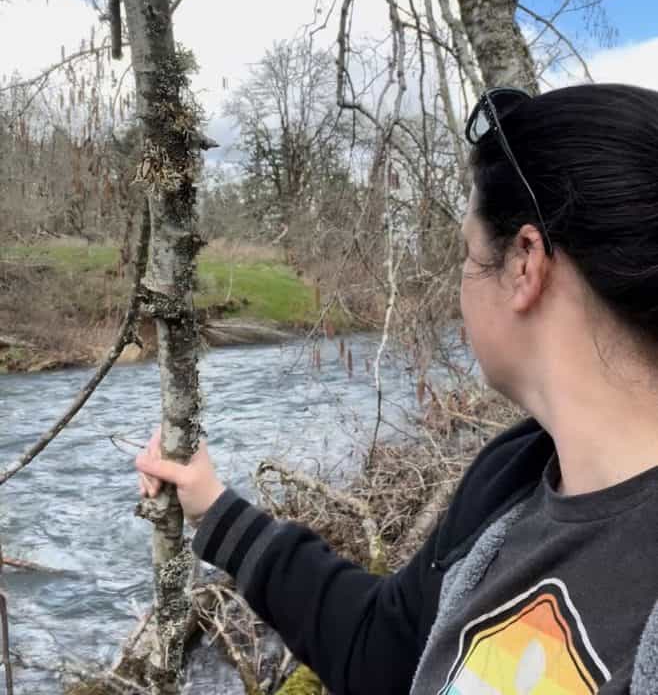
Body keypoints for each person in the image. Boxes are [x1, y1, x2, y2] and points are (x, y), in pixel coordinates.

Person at [136, 82, 658, 695]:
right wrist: (214, 510)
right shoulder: (512, 479)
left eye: (467, 253)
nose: (461, 284)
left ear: (524, 263)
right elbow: (385, 648)